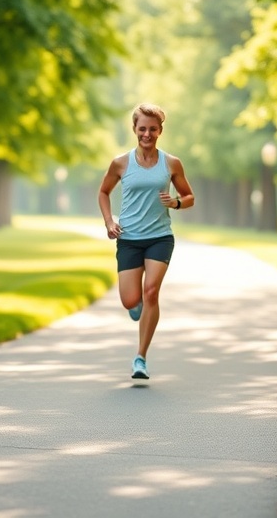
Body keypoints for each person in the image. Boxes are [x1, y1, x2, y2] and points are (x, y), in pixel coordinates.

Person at [97, 102, 195, 380]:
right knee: (131, 301)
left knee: (151, 291)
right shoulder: (120, 163)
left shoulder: (171, 163)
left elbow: (189, 197)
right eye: (142, 129)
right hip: (128, 238)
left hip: (159, 237)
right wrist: (109, 221)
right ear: (134, 129)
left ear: (160, 130)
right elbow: (103, 192)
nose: (147, 134)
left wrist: (175, 202)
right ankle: (136, 304)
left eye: (153, 129)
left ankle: (140, 357)